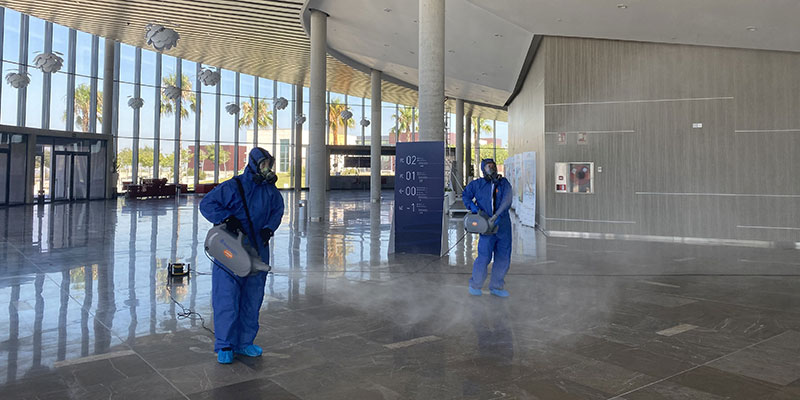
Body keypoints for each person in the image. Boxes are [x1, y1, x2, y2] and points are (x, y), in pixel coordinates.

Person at [200, 147, 285, 364]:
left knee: (252, 298)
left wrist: (269, 228)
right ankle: (225, 345)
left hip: (258, 250)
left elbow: (278, 209)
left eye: (269, 164)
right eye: (263, 164)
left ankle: (245, 342)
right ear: (254, 163)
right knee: (226, 297)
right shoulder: (233, 186)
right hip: (230, 251)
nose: (267, 168)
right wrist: (226, 218)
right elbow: (207, 204)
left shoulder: (270, 191)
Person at [462, 158, 513, 298]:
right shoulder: (477, 185)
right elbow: (466, 195)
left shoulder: (504, 183)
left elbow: (507, 200)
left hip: (502, 226)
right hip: (486, 226)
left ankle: (497, 286)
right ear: (483, 169)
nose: (491, 168)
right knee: (484, 256)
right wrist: (474, 209)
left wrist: (496, 216)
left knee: (503, 256)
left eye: (493, 166)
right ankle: (475, 285)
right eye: (488, 166)